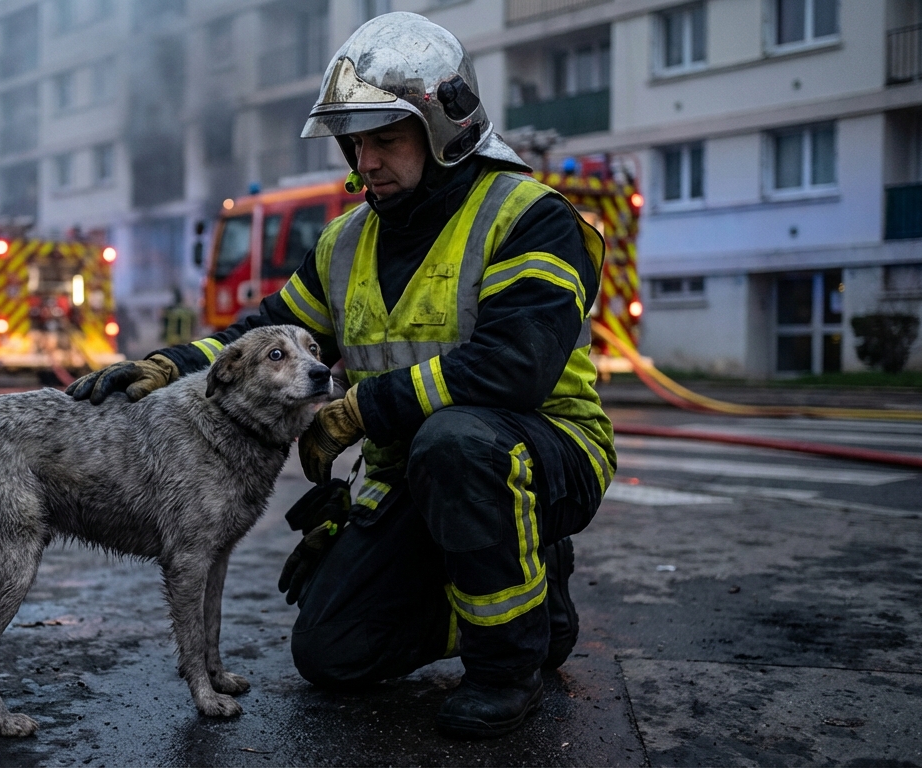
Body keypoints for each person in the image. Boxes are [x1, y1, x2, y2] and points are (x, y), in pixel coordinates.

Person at [67, 12, 614, 739]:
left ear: (445, 125)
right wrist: (171, 365)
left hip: (542, 453)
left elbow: (514, 367)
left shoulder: (528, 216)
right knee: (332, 653)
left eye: (385, 137)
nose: (366, 159)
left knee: (458, 444)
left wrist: (356, 412)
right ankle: (530, 596)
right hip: (413, 470)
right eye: (355, 142)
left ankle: (506, 666)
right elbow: (262, 333)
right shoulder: (347, 240)